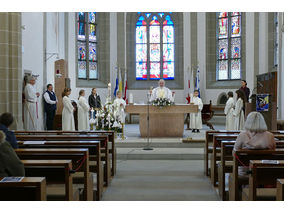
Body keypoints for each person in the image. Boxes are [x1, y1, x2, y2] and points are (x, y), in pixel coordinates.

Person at [234, 112, 276, 176]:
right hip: (265, 170)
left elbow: (234, 153)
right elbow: (273, 151)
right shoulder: (270, 136)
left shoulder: (242, 135)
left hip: (246, 170)